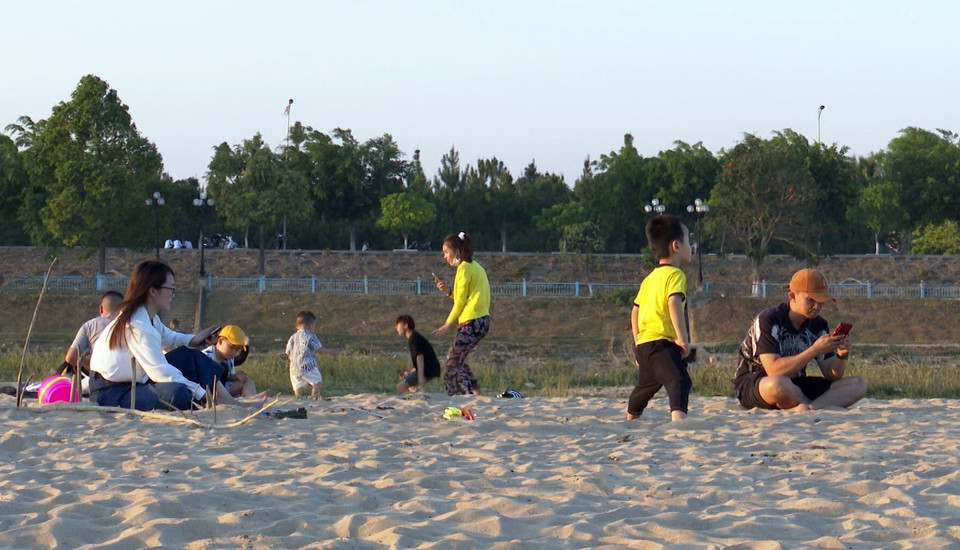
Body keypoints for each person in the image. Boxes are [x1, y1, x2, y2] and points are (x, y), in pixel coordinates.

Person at [89, 260, 248, 411]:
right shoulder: (138, 326)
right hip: (111, 392)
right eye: (170, 289)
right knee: (178, 393)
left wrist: (195, 339)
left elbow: (170, 338)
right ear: (153, 291)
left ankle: (228, 401)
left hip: (136, 383)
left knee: (189, 356)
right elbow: (160, 372)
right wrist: (199, 392)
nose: (173, 294)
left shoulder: (150, 318)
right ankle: (218, 401)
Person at [733, 268, 868, 412]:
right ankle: (807, 405)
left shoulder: (818, 324)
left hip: (795, 383)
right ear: (792, 296)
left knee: (858, 384)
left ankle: (810, 407)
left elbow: (831, 374)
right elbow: (773, 370)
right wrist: (814, 350)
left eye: (821, 301)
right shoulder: (769, 319)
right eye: (811, 300)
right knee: (778, 384)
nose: (817, 306)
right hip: (757, 382)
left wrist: (841, 355)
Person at [626, 215, 694, 422]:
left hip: (645, 344)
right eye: (688, 241)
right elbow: (674, 303)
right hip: (662, 343)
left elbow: (635, 311)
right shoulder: (675, 275)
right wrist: (682, 339)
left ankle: (631, 417)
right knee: (679, 379)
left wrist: (638, 342)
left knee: (646, 386)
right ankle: (678, 421)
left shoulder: (649, 278)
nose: (691, 246)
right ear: (676, 246)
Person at [432, 232, 490, 395]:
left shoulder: (464, 269)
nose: (445, 257)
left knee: (452, 365)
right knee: (459, 358)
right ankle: (477, 392)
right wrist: (448, 292)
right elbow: (462, 297)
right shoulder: (475, 267)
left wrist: (447, 324)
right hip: (482, 321)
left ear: (457, 251)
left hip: (472, 322)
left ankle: (460, 395)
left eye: (446, 252)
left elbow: (461, 302)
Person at [63, 290, 124, 377]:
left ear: (101, 309)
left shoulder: (90, 326)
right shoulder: (131, 325)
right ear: (124, 309)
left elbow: (71, 357)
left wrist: (90, 362)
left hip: (98, 381)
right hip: (126, 381)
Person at [202, 324, 266, 398]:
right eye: (231, 347)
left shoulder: (229, 358)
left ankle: (251, 399)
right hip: (207, 391)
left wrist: (235, 377)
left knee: (247, 381)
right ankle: (253, 399)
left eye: (237, 350)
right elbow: (206, 381)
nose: (234, 352)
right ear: (220, 341)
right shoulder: (206, 356)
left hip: (223, 389)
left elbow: (227, 378)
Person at [286, 310, 339, 398]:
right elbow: (319, 349)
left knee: (298, 385)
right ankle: (315, 397)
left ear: (297, 326)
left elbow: (288, 351)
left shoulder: (292, 337)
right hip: (307, 364)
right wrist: (331, 352)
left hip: (294, 366)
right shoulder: (310, 336)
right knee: (316, 381)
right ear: (310, 325)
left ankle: (298, 398)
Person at [395, 314, 441, 394]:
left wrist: (420, 377)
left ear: (405, 325)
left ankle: (415, 399)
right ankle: (416, 395)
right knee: (408, 382)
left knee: (400, 387)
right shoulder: (414, 337)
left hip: (428, 370)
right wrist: (410, 372)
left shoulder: (414, 338)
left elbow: (420, 358)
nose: (396, 328)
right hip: (431, 368)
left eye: (398, 325)